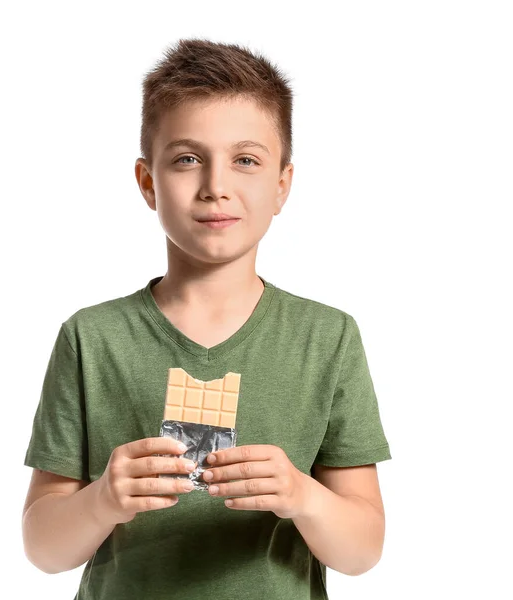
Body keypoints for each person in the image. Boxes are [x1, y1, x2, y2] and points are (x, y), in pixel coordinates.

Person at [22, 37, 392, 600]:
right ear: (148, 183)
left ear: (281, 186)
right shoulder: (91, 337)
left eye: (246, 160)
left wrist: (301, 494)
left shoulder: (329, 338)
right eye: (187, 158)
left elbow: (363, 551)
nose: (216, 186)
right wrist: (102, 499)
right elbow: (43, 549)